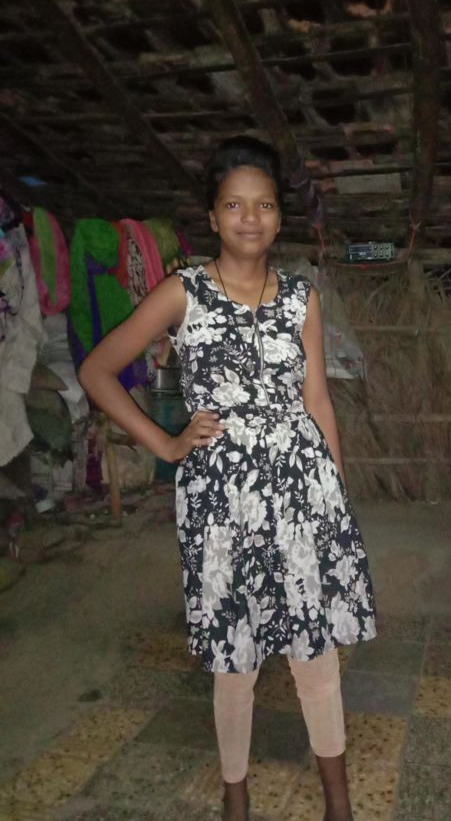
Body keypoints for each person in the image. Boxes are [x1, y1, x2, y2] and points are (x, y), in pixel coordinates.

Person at [78, 135, 377, 821]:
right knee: (233, 653)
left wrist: (335, 497)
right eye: (234, 204)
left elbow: (317, 399)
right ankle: (234, 794)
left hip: (301, 490)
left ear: (279, 216)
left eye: (264, 204)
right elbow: (97, 371)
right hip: (221, 499)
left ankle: (338, 800)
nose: (250, 217)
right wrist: (167, 443)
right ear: (212, 217)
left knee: (314, 647)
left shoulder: (301, 297)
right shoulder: (183, 292)